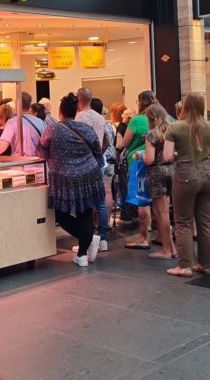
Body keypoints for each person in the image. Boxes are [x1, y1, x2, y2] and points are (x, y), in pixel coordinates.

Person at [38, 93, 104, 266]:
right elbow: (98, 151)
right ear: (76, 111)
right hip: (88, 175)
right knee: (85, 214)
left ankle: (87, 245)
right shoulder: (86, 129)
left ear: (60, 111)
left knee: (61, 214)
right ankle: (82, 254)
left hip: (63, 179)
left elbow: (41, 151)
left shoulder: (53, 129)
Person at [163, 93, 210, 277]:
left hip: (185, 175)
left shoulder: (175, 127)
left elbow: (167, 157)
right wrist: (206, 162)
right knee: (205, 221)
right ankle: (206, 265)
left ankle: (184, 266)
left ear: (185, 106)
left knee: (183, 222)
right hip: (209, 175)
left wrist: (179, 155)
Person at [118, 91, 158, 247]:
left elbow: (125, 143)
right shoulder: (164, 118)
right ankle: (162, 235)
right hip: (160, 163)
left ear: (141, 102)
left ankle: (143, 237)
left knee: (143, 201)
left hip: (139, 162)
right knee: (159, 201)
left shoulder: (137, 120)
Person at [76, 90, 110, 252]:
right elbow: (107, 140)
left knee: (84, 203)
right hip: (99, 163)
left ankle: (87, 241)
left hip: (84, 164)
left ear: (79, 99)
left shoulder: (80, 117)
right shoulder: (100, 117)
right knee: (100, 202)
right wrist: (99, 153)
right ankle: (103, 239)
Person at [143, 103, 176, 259]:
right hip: (172, 170)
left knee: (161, 213)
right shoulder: (172, 130)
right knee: (166, 212)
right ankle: (172, 248)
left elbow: (149, 159)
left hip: (157, 172)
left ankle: (166, 250)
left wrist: (141, 156)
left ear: (151, 117)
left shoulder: (152, 134)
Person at [0, 92, 45, 158]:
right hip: (39, 161)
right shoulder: (40, 122)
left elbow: (1, 146)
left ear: (17, 104)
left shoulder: (12, 122)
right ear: (30, 105)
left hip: (21, 162)